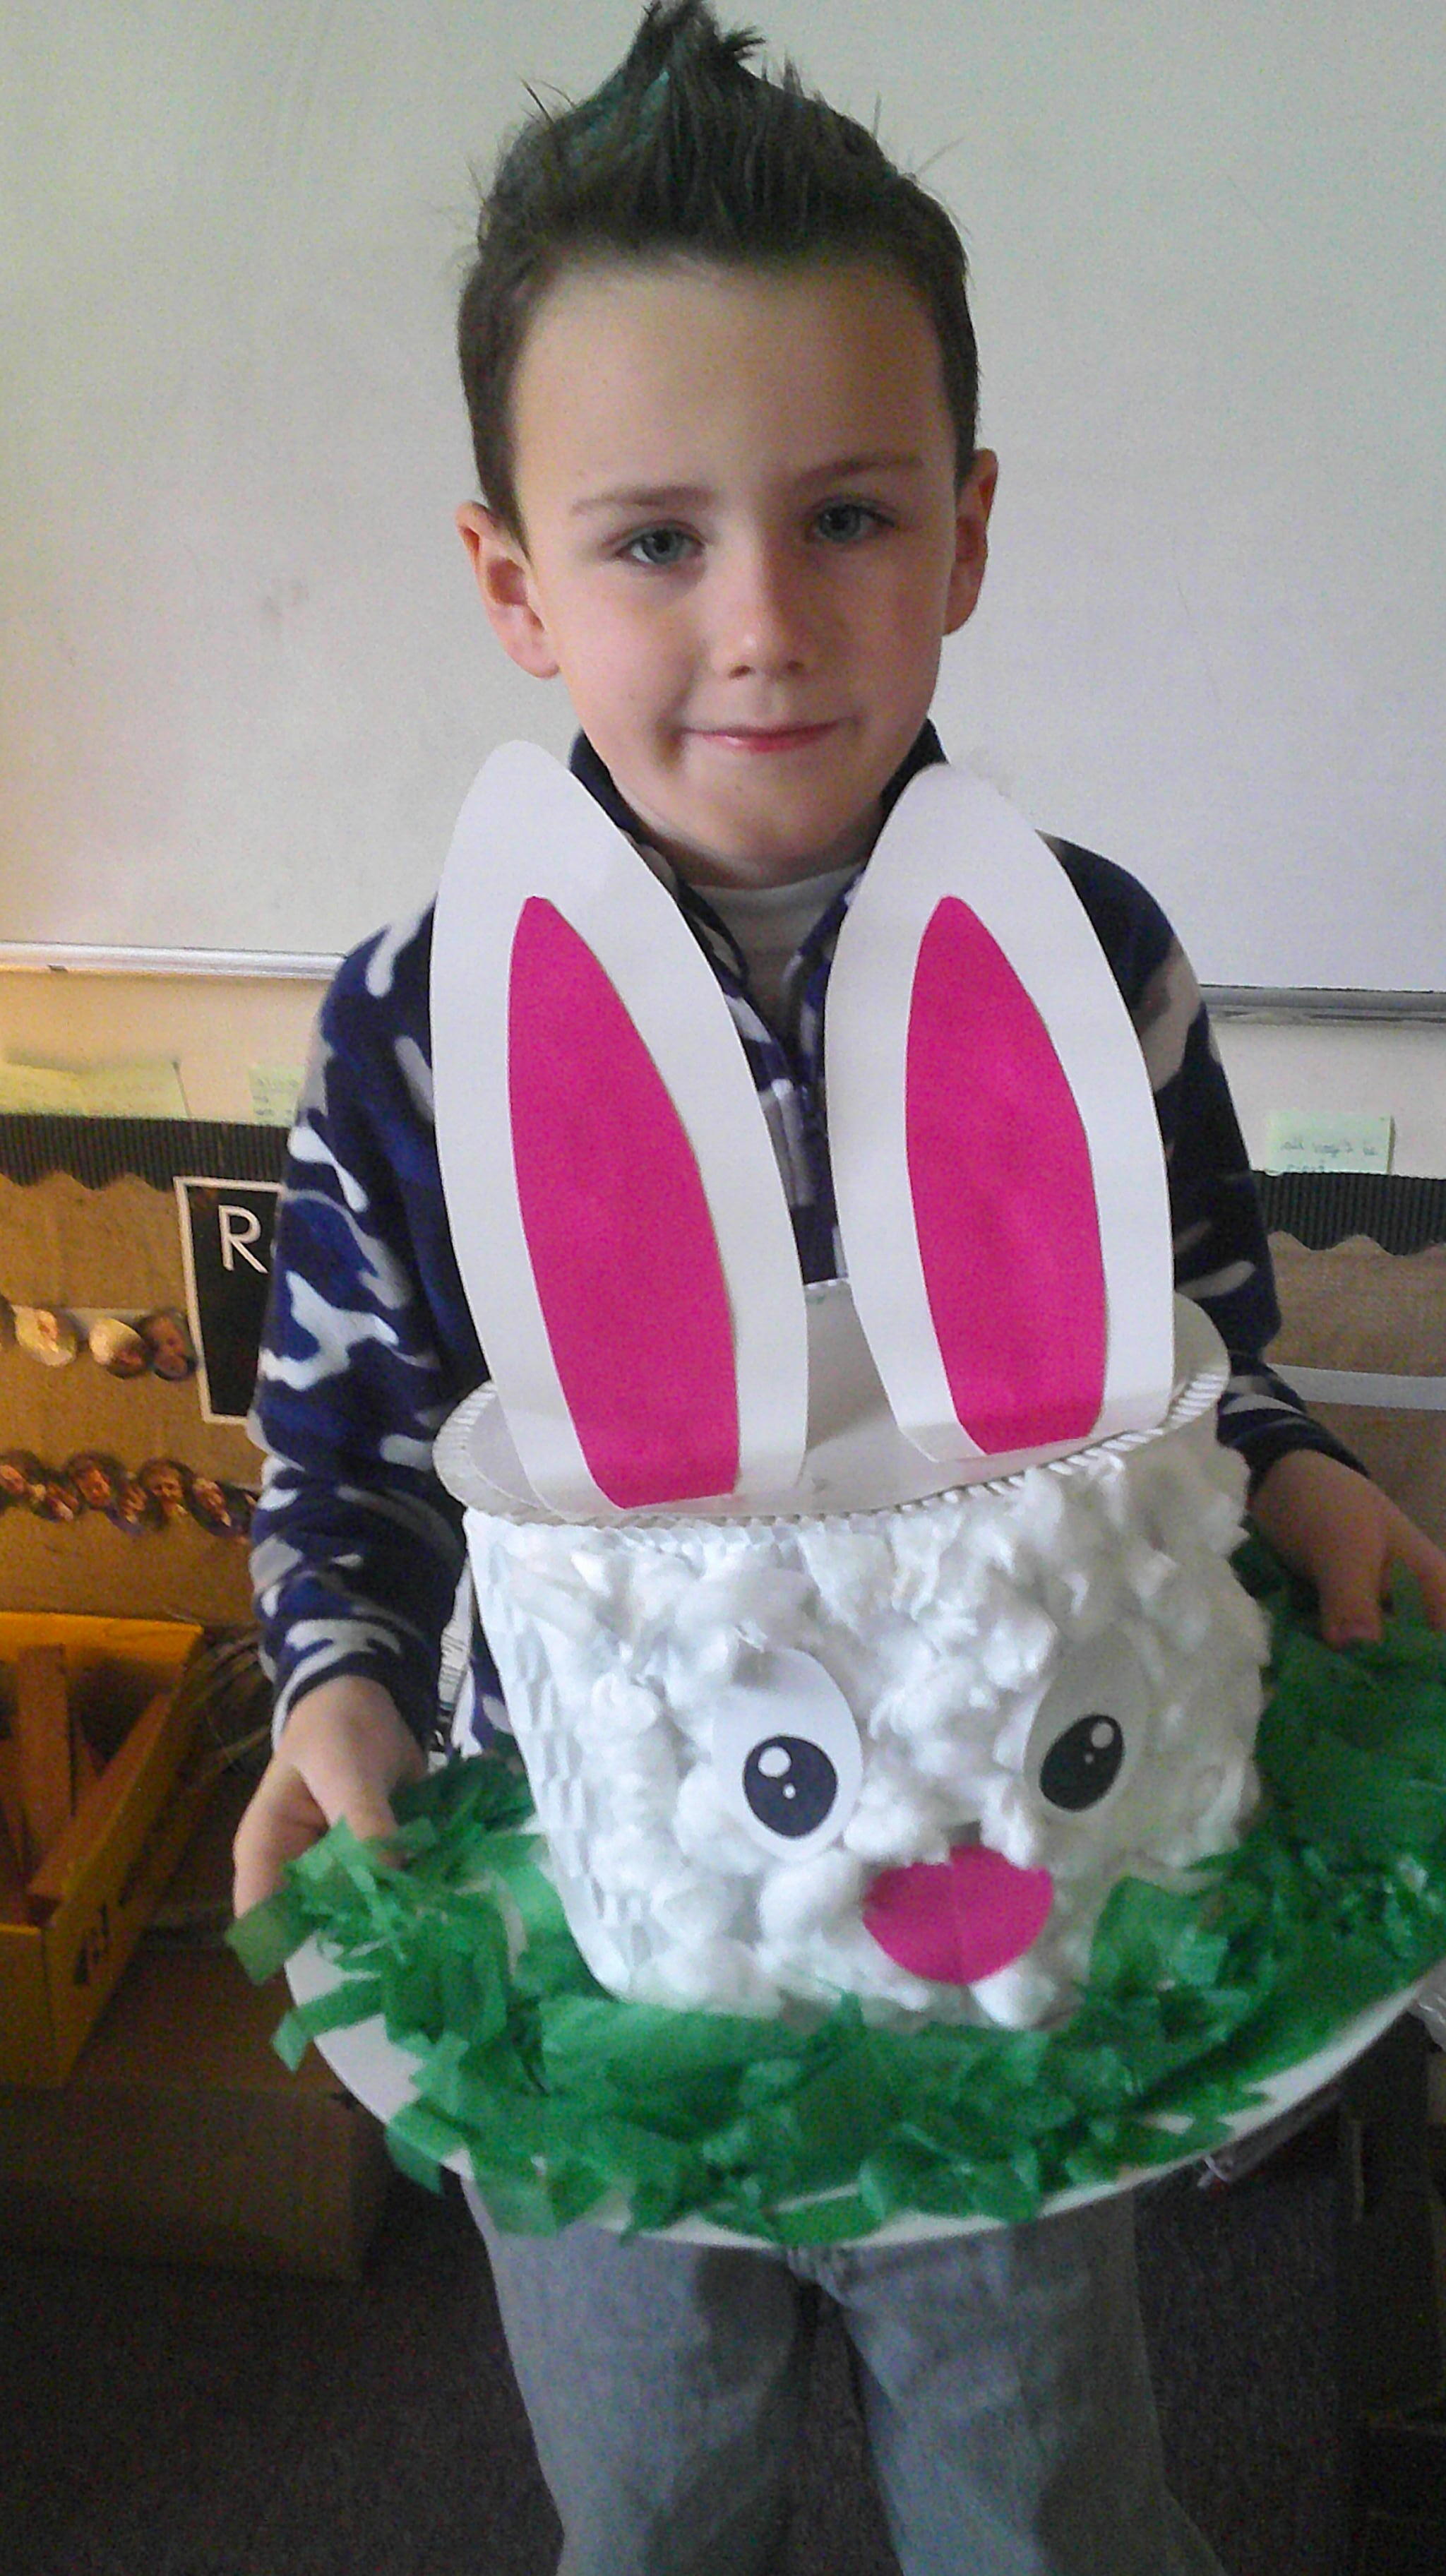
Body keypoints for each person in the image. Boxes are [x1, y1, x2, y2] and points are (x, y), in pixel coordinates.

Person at [232, 9, 1446, 2571]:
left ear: (968, 535)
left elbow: (1188, 1350)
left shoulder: (1084, 958)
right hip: (619, 1916)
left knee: (1038, 2472)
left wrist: (1303, 1477)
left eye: (852, 516)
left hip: (1004, 1883)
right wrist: (338, 1677)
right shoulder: (426, 1026)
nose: (768, 623)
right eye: (656, 542)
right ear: (512, 582)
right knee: (655, 2481)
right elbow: (345, 1450)